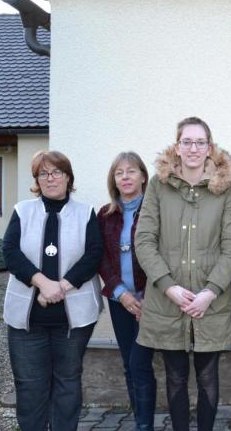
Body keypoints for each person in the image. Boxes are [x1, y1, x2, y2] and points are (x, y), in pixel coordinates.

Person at [132, 117, 231, 431]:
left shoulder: (225, 188)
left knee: (208, 377)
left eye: (200, 142)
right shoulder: (159, 184)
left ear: (209, 147)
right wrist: (169, 287)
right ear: (177, 147)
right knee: (176, 376)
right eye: (187, 142)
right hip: (168, 300)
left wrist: (210, 292)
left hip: (211, 301)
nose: (193, 148)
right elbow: (144, 239)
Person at [2, 149, 104, 431]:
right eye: (43, 173)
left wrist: (62, 286)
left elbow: (94, 254)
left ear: (68, 177)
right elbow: (10, 252)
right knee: (29, 386)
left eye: (57, 172)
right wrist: (42, 283)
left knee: (67, 383)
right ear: (37, 180)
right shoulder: (23, 211)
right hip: (27, 319)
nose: (50, 178)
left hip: (73, 320)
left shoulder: (85, 213)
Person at [97, 151, 150, 419]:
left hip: (151, 301)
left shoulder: (155, 211)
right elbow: (101, 258)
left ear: (143, 177)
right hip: (120, 301)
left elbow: (164, 254)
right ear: (114, 180)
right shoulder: (105, 215)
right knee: (130, 363)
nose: (125, 177)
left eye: (131, 171)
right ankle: (140, 419)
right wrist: (122, 294)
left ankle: (145, 424)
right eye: (119, 173)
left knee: (141, 363)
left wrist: (147, 297)